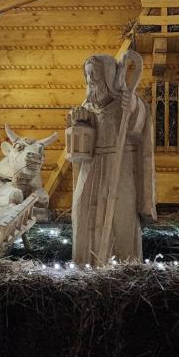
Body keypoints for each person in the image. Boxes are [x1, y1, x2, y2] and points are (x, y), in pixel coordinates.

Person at [66, 52, 156, 266]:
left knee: (120, 215)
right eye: (88, 75)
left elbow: (139, 129)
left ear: (108, 76)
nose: (91, 80)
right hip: (91, 169)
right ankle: (86, 263)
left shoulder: (127, 103)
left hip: (121, 166)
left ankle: (123, 266)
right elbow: (78, 145)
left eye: (95, 74)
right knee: (84, 212)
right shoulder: (87, 107)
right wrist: (78, 121)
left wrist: (132, 107)